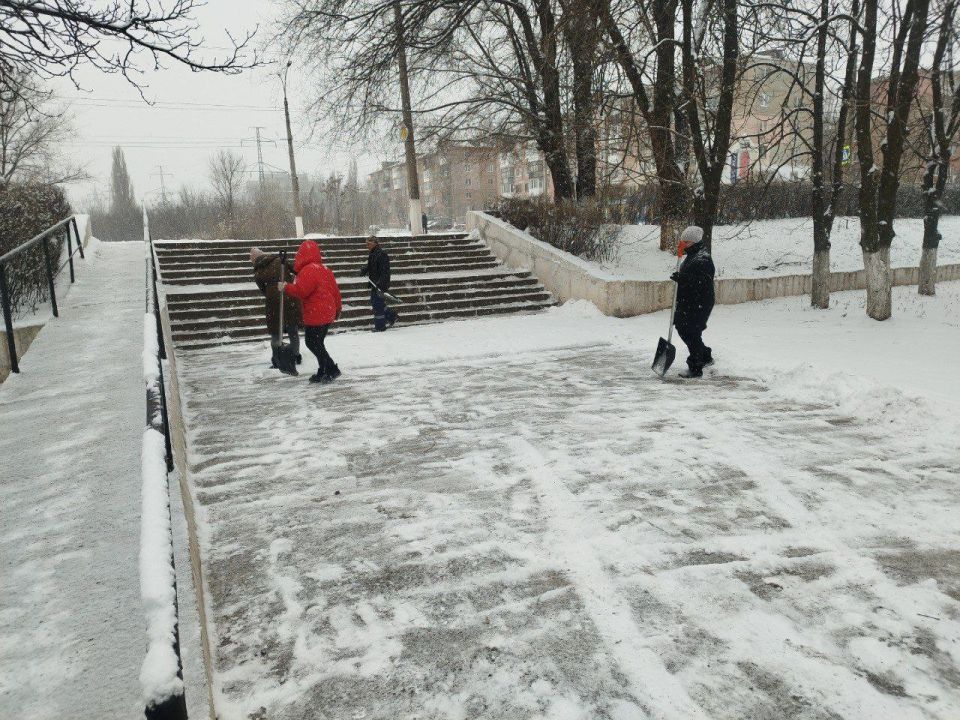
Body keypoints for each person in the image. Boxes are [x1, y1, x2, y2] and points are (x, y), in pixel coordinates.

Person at [279, 240, 343, 384]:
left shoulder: (308, 270)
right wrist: (338, 308)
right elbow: (336, 292)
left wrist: (286, 287)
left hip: (316, 313)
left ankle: (332, 368)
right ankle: (323, 370)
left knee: (311, 342)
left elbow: (302, 291)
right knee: (318, 343)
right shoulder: (325, 269)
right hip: (327, 311)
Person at [671, 226, 715, 379]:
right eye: (682, 241)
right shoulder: (692, 255)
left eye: (686, 242)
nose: (682, 244)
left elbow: (702, 283)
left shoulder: (703, 259)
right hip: (688, 301)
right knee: (684, 328)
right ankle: (705, 356)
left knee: (691, 332)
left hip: (699, 302)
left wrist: (684, 279)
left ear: (694, 242)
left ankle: (696, 367)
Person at [251, 247, 302, 369]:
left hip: (273, 303)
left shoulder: (258, 271)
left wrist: (272, 292)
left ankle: (277, 359)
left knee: (275, 333)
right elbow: (297, 271)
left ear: (253, 260)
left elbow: (262, 289)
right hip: (290, 297)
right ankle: (295, 356)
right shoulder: (280, 260)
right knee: (292, 330)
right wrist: (290, 282)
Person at [359, 234, 399, 332]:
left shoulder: (381, 254)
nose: (367, 246)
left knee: (377, 304)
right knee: (376, 302)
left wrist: (380, 284)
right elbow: (371, 266)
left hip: (380, 284)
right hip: (374, 283)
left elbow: (385, 271)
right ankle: (392, 316)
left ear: (374, 244)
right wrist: (364, 270)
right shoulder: (372, 254)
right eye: (366, 244)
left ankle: (380, 326)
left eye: (368, 244)